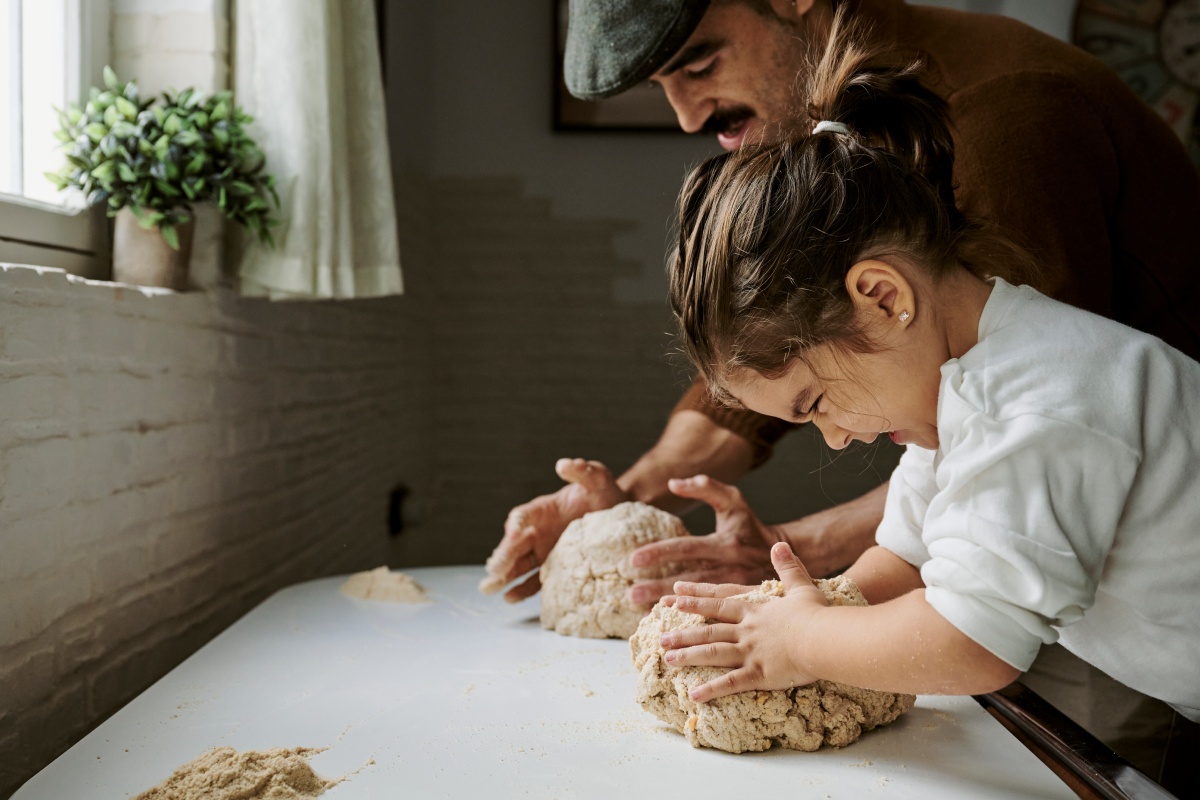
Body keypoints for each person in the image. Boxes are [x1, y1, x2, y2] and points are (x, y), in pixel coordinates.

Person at [481, 0, 1200, 783]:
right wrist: (812, 604)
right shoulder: (952, 385)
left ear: (884, 296)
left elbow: (975, 644)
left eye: (815, 404)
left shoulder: (1034, 405)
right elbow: (905, 552)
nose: (833, 438)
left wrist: (799, 644)